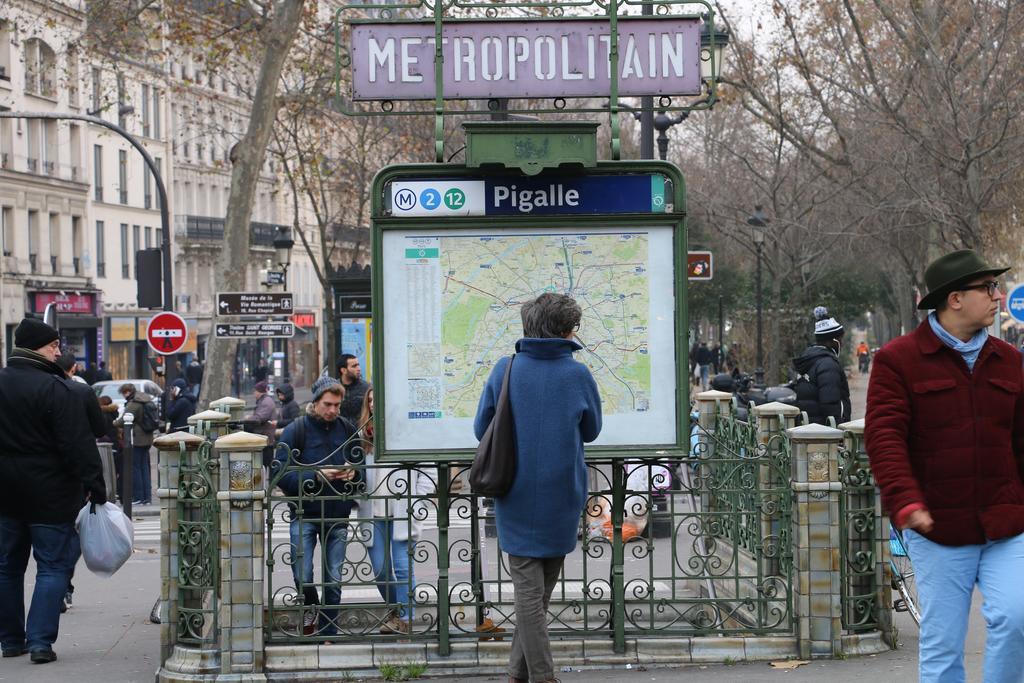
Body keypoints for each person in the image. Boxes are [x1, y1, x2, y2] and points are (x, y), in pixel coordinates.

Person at [865, 249, 1024, 682]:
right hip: (937, 527)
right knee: (943, 646)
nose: (997, 296)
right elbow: (884, 438)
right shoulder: (898, 360)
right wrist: (905, 501)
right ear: (955, 299)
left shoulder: (1010, 360)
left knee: (1018, 619)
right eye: (988, 288)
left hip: (1006, 523)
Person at [473, 293, 602, 683]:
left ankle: (518, 673)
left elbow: (482, 429)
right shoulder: (577, 374)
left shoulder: (505, 369)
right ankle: (541, 677)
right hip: (563, 494)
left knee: (532, 594)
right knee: (538, 592)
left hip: (514, 492)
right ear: (564, 330)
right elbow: (592, 430)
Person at [0, 318, 106, 664]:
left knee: (7, 567)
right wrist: (95, 485)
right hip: (50, 491)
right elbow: (77, 444)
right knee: (53, 566)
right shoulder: (57, 389)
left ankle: (10, 640)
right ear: (37, 348)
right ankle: (40, 642)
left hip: (5, 490)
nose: (58, 352)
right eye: (53, 346)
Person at [273, 375, 361, 637]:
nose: (333, 410)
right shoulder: (296, 429)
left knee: (334, 579)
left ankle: (329, 631)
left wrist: (353, 475)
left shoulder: (346, 428)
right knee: (303, 574)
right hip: (304, 513)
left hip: (337, 514)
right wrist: (316, 476)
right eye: (328, 404)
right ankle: (313, 608)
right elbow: (279, 473)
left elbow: (361, 471)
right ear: (316, 402)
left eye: (337, 404)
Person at [357, 387, 436, 635]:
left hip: (403, 509)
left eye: (377, 399)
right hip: (374, 511)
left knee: (402, 566)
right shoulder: (362, 435)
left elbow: (429, 470)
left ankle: (406, 617)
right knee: (380, 569)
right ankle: (396, 608)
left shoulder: (407, 431)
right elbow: (356, 470)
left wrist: (418, 498)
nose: (372, 404)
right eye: (369, 400)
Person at [791, 307, 851, 426]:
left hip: (808, 427)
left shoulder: (808, 359)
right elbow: (830, 403)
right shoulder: (828, 364)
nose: (841, 343)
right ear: (833, 340)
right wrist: (838, 429)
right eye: (840, 339)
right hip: (824, 432)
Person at [115, 383, 157, 505]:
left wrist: (114, 422)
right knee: (144, 467)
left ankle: (139, 497)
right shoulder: (145, 399)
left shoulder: (134, 403)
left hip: (138, 439)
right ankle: (147, 497)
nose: (123, 396)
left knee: (136, 469)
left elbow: (123, 420)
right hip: (147, 438)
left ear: (127, 392)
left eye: (123, 393)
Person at [247, 380, 278, 468]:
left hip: (265, 438)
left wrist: (248, 419)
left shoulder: (266, 402)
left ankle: (269, 481)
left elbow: (260, 417)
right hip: (263, 437)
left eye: (255, 391)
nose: (254, 393)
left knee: (265, 465)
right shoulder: (264, 400)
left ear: (259, 391)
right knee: (264, 465)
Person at [337, 354, 368, 424]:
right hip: (341, 431)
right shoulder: (334, 388)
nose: (359, 369)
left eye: (358, 365)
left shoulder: (366, 388)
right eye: (354, 366)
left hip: (360, 431)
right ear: (343, 370)